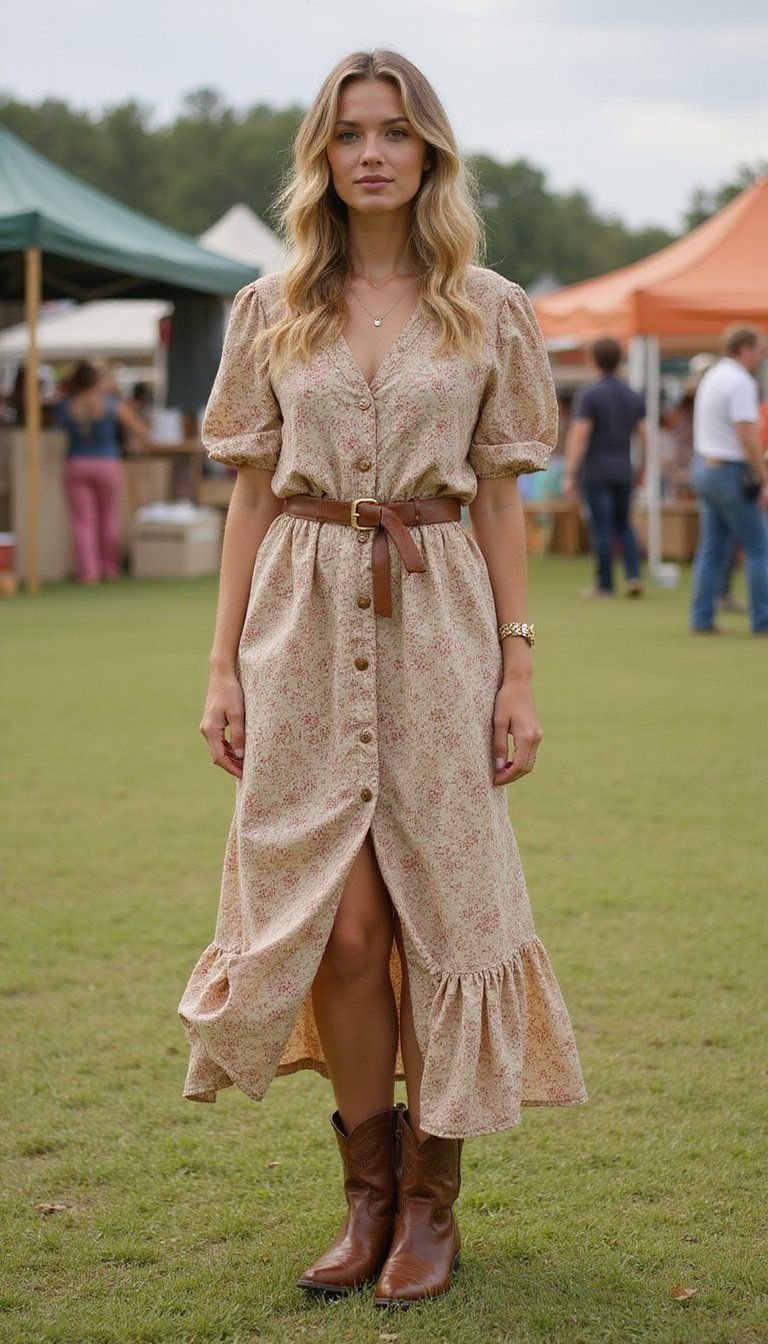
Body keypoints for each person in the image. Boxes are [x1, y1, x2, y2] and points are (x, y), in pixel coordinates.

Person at [177, 49, 587, 1309]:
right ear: (323, 151)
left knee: (443, 915)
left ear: (430, 154)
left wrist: (519, 670)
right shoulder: (270, 307)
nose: (371, 152)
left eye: (395, 132)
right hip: (299, 626)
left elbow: (506, 503)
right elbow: (252, 490)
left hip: (443, 620)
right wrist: (223, 664)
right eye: (350, 131)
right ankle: (365, 1193)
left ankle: (430, 1206)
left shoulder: (490, 307)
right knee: (345, 931)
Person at [689, 325, 768, 634]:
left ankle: (702, 616)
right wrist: (762, 477)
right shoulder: (740, 382)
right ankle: (762, 619)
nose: (762, 356)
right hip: (729, 471)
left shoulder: (713, 375)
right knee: (759, 546)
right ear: (745, 349)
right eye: (760, 350)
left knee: (712, 547)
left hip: (705, 466)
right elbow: (746, 434)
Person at [563, 337, 647, 597]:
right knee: (623, 523)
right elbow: (644, 433)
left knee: (601, 526)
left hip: (597, 469)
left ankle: (605, 583)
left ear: (593, 360)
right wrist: (642, 466)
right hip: (624, 467)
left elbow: (580, 434)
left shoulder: (589, 394)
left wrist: (570, 473)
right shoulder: (632, 393)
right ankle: (634, 575)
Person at [54, 361, 149, 584]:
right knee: (109, 518)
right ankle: (110, 568)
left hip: (76, 462)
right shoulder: (110, 404)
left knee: (82, 521)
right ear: (96, 380)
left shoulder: (67, 405)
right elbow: (140, 429)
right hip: (107, 462)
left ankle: (88, 573)